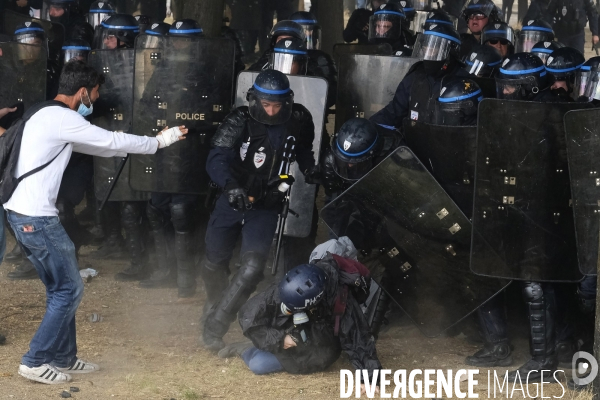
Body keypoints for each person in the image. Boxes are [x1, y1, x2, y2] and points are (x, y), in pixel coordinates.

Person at [2, 60, 187, 384]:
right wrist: (158, 142)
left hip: (22, 214)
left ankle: (64, 357)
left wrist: (141, 144)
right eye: (96, 93)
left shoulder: (43, 113)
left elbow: (98, 145)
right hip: (37, 218)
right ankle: (35, 360)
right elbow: (111, 141)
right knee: (69, 289)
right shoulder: (62, 118)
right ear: (83, 92)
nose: (96, 100)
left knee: (60, 288)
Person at [200, 69, 315, 351]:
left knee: (252, 268)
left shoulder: (298, 120)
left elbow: (302, 151)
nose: (272, 111)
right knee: (214, 262)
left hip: (267, 202)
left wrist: (312, 169)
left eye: (278, 105)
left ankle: (214, 327)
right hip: (231, 198)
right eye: (266, 105)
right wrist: (230, 187)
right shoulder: (238, 120)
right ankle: (216, 303)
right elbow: (215, 160)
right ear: (255, 100)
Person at [217, 255, 382, 395]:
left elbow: (358, 337)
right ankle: (249, 348)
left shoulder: (339, 298)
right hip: (290, 331)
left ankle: (248, 349)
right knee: (258, 364)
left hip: (320, 340)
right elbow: (249, 314)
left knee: (258, 365)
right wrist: (280, 339)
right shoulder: (292, 284)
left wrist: (369, 379)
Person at [137, 19, 205, 297]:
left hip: (193, 152)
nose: (179, 45)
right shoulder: (163, 69)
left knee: (182, 212)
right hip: (164, 152)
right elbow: (146, 105)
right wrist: (158, 126)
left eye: (185, 40)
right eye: (175, 39)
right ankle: (165, 271)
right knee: (157, 207)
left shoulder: (207, 71)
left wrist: (191, 123)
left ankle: (186, 279)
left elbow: (214, 109)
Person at [369, 23, 463, 130]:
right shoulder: (416, 75)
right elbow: (394, 112)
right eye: (425, 47)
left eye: (434, 48)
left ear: (450, 51)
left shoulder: (464, 82)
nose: (428, 53)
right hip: (413, 142)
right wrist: (368, 126)